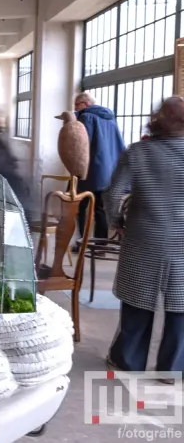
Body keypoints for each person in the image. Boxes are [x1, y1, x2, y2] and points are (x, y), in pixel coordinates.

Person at [104, 96, 184, 376]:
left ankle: (129, 360)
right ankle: (173, 368)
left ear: (158, 119)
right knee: (181, 304)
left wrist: (116, 221)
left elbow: (113, 193)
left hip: (144, 235)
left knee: (139, 298)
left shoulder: (137, 152)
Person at [73, 93, 125, 242]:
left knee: (79, 207)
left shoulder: (87, 117)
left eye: (77, 105)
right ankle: (101, 244)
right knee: (100, 209)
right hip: (109, 171)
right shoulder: (110, 118)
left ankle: (82, 243)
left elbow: (82, 144)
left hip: (90, 170)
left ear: (86, 103)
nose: (76, 108)